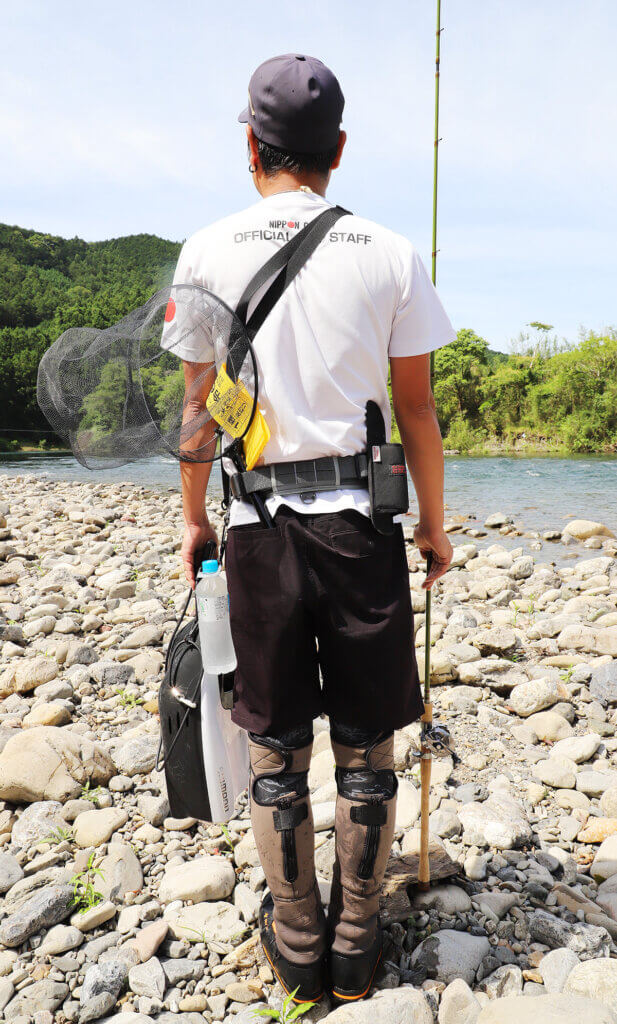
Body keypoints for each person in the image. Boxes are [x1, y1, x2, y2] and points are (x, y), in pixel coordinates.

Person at [168, 53, 455, 1006]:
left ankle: (295, 940)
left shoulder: (205, 252)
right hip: (362, 531)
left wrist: (193, 523)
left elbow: (197, 414)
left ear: (250, 144)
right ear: (336, 149)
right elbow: (415, 412)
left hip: (256, 531)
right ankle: (357, 939)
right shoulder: (387, 251)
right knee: (368, 744)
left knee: (276, 745)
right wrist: (435, 532)